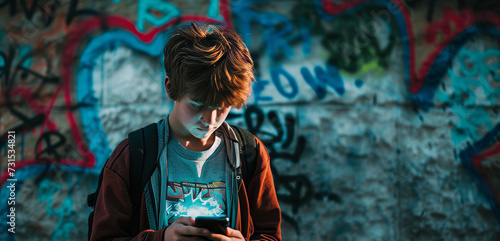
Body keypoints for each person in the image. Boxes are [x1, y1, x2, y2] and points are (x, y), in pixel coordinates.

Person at [89, 22, 282, 241]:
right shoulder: (133, 156)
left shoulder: (250, 154)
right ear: (170, 87)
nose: (210, 120)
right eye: (197, 104)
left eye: (221, 107)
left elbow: (270, 234)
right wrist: (161, 239)